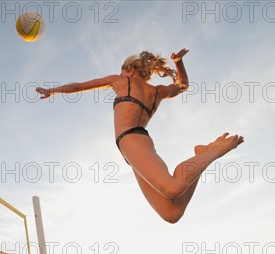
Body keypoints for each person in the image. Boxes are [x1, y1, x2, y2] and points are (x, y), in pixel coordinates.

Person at [36, 49, 244, 223]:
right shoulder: (157, 91)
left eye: (122, 70)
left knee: (173, 188)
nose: (120, 73)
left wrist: (53, 91)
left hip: (131, 140)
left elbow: (79, 86)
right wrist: (178, 63)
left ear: (130, 69)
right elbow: (183, 85)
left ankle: (212, 152)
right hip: (138, 145)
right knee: (171, 213)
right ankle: (201, 154)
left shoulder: (120, 80)